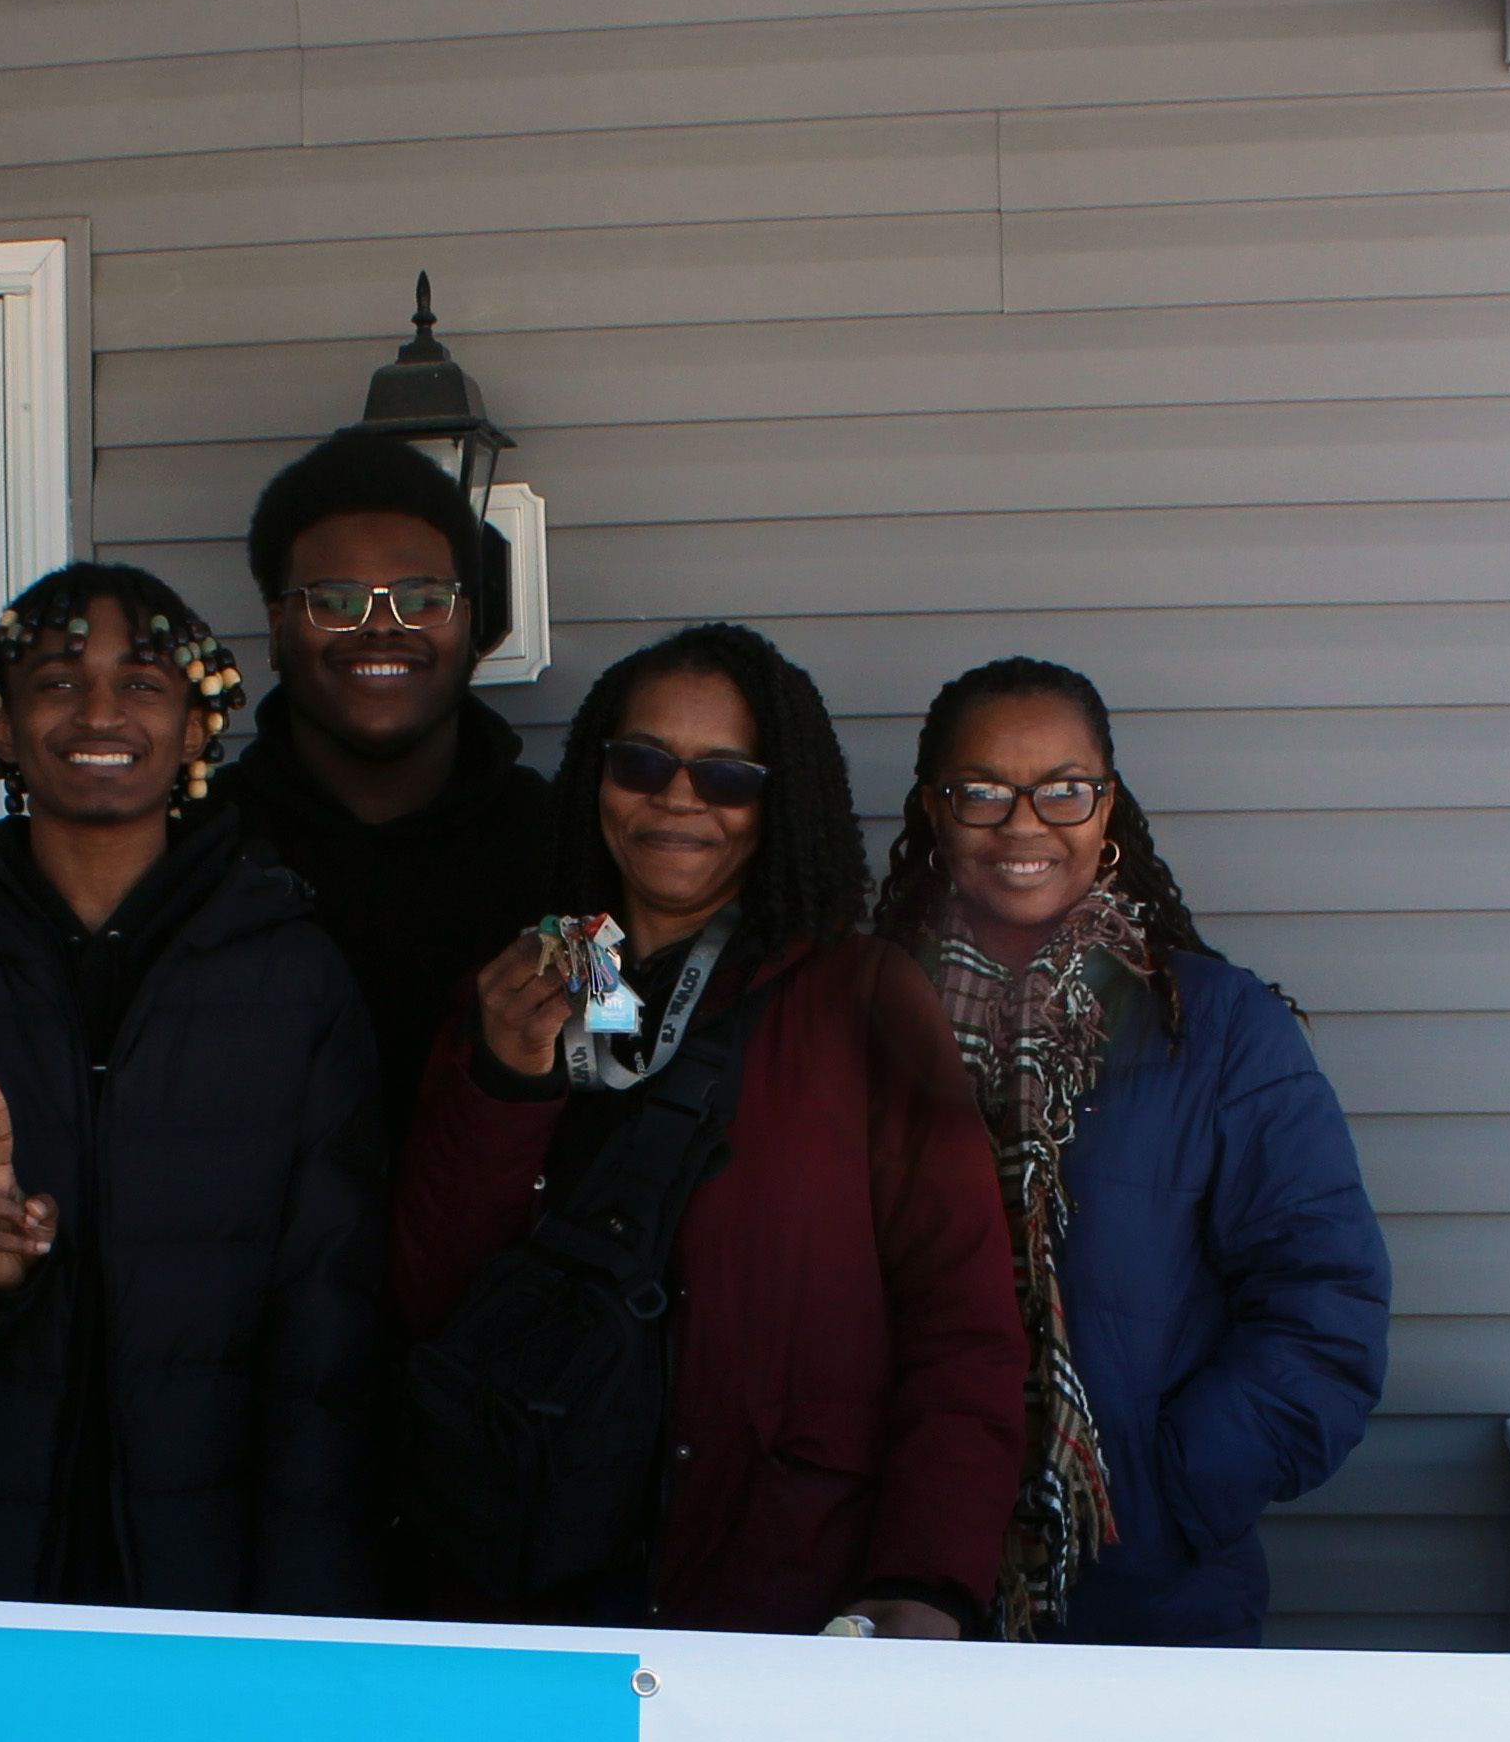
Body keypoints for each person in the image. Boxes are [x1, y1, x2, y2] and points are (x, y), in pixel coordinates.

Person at [0, 564, 382, 1612]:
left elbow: (337, 1312)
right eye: (57, 682)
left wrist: (310, 1590)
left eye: (143, 685)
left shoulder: (291, 977)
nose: (100, 712)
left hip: (231, 1573)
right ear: (3, 727)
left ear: (197, 729)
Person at [396, 623, 1024, 1636]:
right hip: (530, 1580)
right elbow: (432, 1298)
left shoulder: (857, 998)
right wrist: (504, 1084)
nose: (677, 798)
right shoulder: (532, 976)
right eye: (642, 763)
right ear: (597, 779)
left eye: (726, 775)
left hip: (775, 1585)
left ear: (780, 801)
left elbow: (961, 1330)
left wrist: (929, 1577)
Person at [873, 659, 1388, 1644]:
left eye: (1064, 789)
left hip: (1152, 1600)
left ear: (1108, 807)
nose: (1025, 824)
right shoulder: (862, 1020)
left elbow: (1324, 1302)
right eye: (982, 791)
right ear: (933, 811)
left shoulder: (1218, 1027)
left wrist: (1173, 1493)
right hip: (894, 1589)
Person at [216, 428, 560, 1146]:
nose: (380, 628)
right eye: (337, 602)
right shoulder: (203, 848)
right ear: (277, 630)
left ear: (471, 623)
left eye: (423, 598)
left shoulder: (558, 842)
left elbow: (618, 1061)